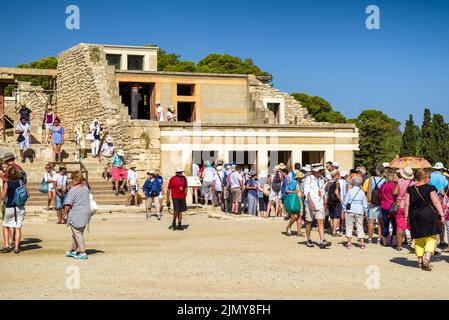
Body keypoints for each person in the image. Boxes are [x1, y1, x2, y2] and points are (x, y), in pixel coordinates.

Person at [405, 169, 445, 271]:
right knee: (431, 238)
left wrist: (406, 217)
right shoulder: (430, 188)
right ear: (425, 178)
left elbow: (407, 204)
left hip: (414, 216)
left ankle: (419, 262)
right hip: (428, 215)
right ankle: (427, 259)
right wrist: (441, 214)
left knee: (418, 239)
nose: (429, 179)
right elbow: (436, 202)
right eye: (429, 178)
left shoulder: (410, 189)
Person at [63, 171, 92, 260]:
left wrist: (64, 214)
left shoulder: (73, 190)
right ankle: (72, 250)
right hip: (86, 213)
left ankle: (83, 252)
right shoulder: (86, 188)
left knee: (78, 233)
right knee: (76, 233)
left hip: (77, 213)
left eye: (72, 179)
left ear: (75, 179)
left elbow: (68, 204)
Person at [303, 164, 332, 249]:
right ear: (315, 171)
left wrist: (324, 202)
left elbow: (322, 192)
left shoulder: (321, 179)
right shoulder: (309, 179)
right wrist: (311, 203)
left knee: (320, 222)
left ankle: (322, 240)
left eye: (322, 170)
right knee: (309, 222)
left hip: (319, 205)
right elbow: (306, 192)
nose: (321, 172)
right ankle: (308, 239)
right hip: (310, 205)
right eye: (320, 171)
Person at [0, 166, 28, 254]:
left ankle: (6, 245)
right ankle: (16, 247)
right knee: (18, 227)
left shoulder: (7, 183)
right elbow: (27, 194)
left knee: (6, 225)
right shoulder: (21, 182)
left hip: (10, 207)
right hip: (20, 207)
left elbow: (2, 196)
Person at [343, 175, 368, 249]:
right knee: (360, 226)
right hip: (359, 210)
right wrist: (365, 211)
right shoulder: (362, 192)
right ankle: (362, 243)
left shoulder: (350, 191)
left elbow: (346, 202)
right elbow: (364, 203)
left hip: (350, 210)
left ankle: (349, 243)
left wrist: (344, 210)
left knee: (349, 226)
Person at [395, 167, 416, 251]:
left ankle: (399, 246)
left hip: (400, 205)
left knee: (400, 226)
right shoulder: (413, 183)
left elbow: (394, 193)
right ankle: (413, 245)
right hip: (410, 206)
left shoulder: (399, 182)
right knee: (412, 226)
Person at [429, 162, 448, 248]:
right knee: (441, 220)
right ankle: (442, 240)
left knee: (432, 221)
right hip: (440, 200)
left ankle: (433, 240)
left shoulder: (430, 176)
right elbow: (444, 190)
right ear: (441, 169)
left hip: (430, 200)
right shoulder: (444, 177)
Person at [380, 169, 399, 247]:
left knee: (385, 224)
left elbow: (380, 196)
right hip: (392, 207)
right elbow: (396, 195)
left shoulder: (383, 185)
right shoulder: (394, 185)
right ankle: (394, 241)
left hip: (383, 206)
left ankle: (385, 241)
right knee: (394, 224)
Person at [367, 165, 386, 244]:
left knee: (371, 221)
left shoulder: (371, 179)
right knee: (380, 221)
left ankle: (370, 238)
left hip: (373, 202)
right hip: (381, 202)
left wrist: (368, 200)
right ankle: (379, 238)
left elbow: (369, 191)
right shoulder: (384, 180)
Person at [285, 171, 305, 237]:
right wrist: (294, 192)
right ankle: (288, 226)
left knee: (300, 216)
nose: (301, 178)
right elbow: (287, 190)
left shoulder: (301, 183)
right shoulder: (293, 182)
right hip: (295, 201)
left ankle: (299, 232)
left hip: (300, 201)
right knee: (295, 216)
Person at [327, 170, 343, 237]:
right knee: (336, 217)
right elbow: (336, 192)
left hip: (329, 201)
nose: (339, 175)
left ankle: (332, 230)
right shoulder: (337, 182)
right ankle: (334, 232)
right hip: (335, 201)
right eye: (338, 174)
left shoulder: (329, 182)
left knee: (331, 216)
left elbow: (327, 191)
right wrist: (340, 199)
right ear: (336, 175)